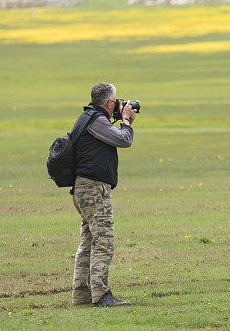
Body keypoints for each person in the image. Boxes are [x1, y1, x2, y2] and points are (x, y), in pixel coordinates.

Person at [71, 82, 137, 307]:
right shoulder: (97, 121)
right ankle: (101, 295)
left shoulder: (86, 118)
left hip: (82, 188)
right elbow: (124, 140)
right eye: (116, 101)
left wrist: (118, 118)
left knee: (88, 242)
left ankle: (81, 295)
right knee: (104, 241)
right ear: (109, 103)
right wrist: (126, 120)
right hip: (94, 189)